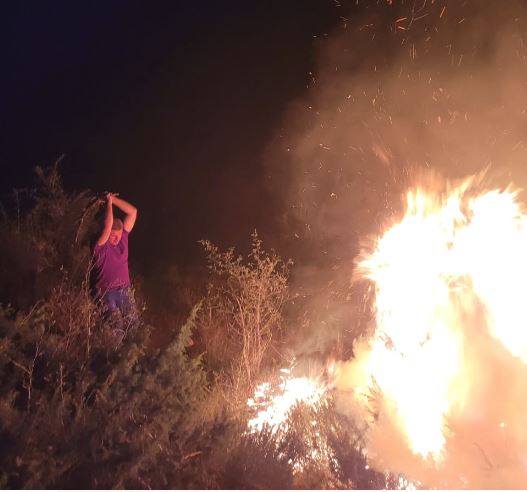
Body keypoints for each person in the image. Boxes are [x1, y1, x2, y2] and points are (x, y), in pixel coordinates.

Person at [93, 192, 139, 345]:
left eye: (118, 235)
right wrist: (109, 204)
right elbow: (107, 226)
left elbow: (133, 212)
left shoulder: (123, 239)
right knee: (116, 330)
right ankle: (114, 361)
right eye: (113, 235)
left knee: (133, 325)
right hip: (106, 292)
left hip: (125, 289)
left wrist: (113, 199)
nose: (116, 238)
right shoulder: (101, 247)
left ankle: (133, 358)